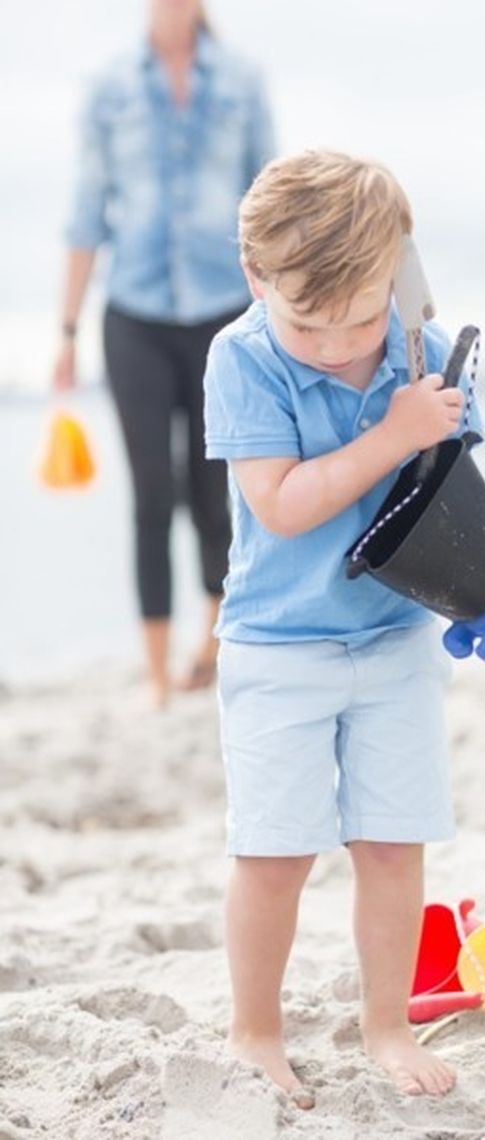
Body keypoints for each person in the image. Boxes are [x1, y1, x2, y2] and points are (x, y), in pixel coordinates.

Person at [203, 149, 485, 1108]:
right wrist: (393, 432)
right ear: (258, 279)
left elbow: (450, 474)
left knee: (391, 842)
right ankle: (256, 1029)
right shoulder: (243, 357)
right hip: (277, 647)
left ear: (400, 275)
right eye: (308, 323)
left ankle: (384, 1022)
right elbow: (285, 502)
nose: (337, 347)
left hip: (392, 642)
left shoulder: (419, 345)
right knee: (276, 851)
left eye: (362, 317)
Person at [52, 0, 275, 707]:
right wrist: (66, 332)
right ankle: (154, 676)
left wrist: (283, 314)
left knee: (216, 490)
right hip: (135, 315)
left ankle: (209, 646)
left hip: (224, 313)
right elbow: (88, 212)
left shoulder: (242, 79)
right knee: (152, 493)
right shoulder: (110, 85)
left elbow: (269, 201)